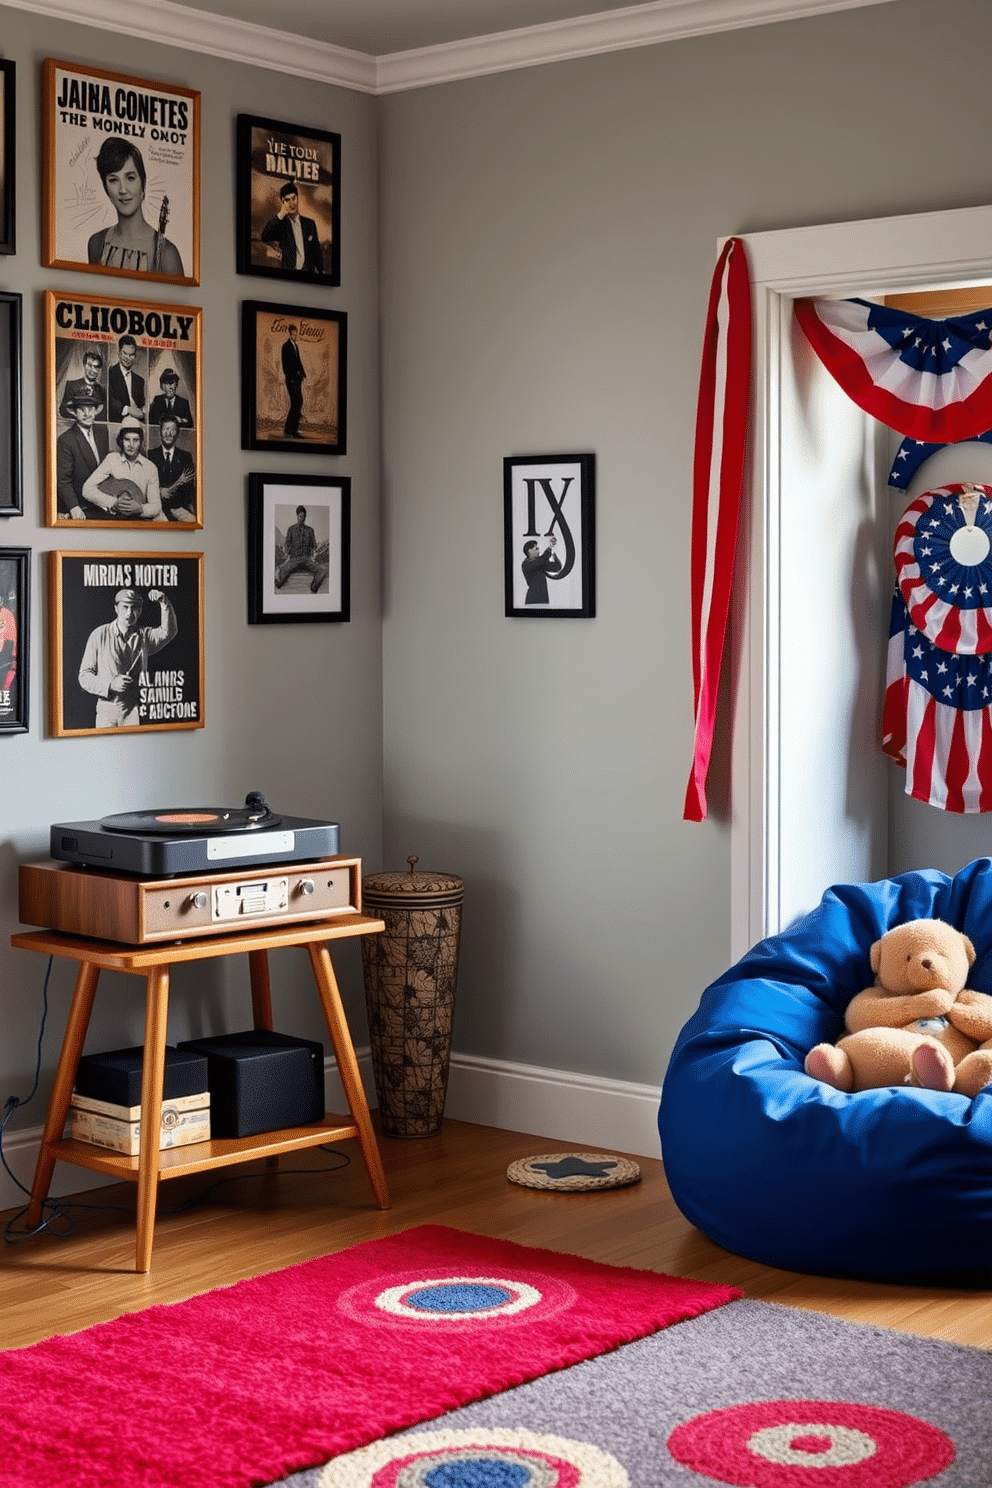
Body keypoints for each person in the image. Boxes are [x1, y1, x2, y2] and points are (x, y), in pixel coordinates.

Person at [77, 587, 178, 728]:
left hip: (135, 711)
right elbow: (84, 676)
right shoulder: (99, 635)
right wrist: (110, 686)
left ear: (140, 610)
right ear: (116, 609)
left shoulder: (145, 636)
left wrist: (164, 603)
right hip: (107, 711)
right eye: (125, 607)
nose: (129, 613)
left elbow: (169, 632)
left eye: (134, 608)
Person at [86, 138, 184, 277]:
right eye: (113, 180)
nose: (123, 189)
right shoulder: (96, 243)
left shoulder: (167, 254)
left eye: (130, 178)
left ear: (143, 184)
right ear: (106, 188)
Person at [82, 419, 163, 520]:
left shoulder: (150, 468)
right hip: (115, 517)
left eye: (135, 440)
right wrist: (113, 502)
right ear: (121, 441)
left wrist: (141, 509)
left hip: (140, 520)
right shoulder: (112, 459)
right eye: (127, 439)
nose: (131, 445)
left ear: (141, 442)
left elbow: (156, 506)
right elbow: (87, 489)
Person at [55, 391, 111, 520]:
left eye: (90, 409)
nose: (87, 414)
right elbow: (63, 480)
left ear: (95, 410)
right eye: (82, 409)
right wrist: (74, 507)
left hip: (101, 504)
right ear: (74, 412)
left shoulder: (102, 432)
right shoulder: (65, 440)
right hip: (82, 507)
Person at [260, 181, 325, 274]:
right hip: (288, 277)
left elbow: (316, 250)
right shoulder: (281, 225)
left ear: (298, 198)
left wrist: (322, 271)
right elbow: (265, 236)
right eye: (287, 200)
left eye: (294, 198)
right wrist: (281, 214)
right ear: (282, 202)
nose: (292, 203)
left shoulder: (310, 224)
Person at [148, 415, 196, 522]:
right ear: (160, 432)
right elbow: (145, 484)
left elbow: (188, 489)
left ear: (177, 433)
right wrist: (159, 491)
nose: (169, 434)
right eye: (165, 429)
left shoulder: (186, 456)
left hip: (179, 508)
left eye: (173, 430)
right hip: (157, 508)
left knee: (192, 521)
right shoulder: (150, 455)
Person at [275, 505, 328, 592]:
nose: (302, 519)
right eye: (300, 516)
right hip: (294, 559)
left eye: (303, 517)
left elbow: (314, 546)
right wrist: (287, 551)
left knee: (322, 571)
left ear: (305, 517)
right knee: (281, 576)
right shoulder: (291, 529)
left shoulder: (310, 530)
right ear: (297, 516)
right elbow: (286, 545)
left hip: (307, 560)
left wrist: (314, 553)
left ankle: (314, 587)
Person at [58, 349, 105, 421]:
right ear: (84, 365)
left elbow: (104, 415)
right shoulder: (71, 385)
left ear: (99, 369)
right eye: (89, 365)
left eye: (96, 367)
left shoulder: (101, 390)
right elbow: (63, 411)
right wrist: (80, 416)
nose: (92, 370)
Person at [108, 335, 146, 422]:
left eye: (131, 355)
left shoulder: (139, 380)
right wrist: (127, 409)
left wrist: (144, 409)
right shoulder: (110, 373)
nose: (128, 358)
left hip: (136, 423)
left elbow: (141, 405)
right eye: (125, 353)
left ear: (135, 356)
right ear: (119, 353)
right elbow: (109, 400)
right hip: (117, 422)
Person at [281, 324, 306, 438]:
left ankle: (289, 429)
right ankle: (292, 430)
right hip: (291, 380)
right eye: (294, 334)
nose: (296, 336)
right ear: (290, 334)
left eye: (297, 334)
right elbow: (286, 365)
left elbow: (298, 361)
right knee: (297, 402)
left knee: (297, 403)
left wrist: (302, 373)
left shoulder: (295, 346)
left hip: (297, 379)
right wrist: (291, 377)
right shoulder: (286, 346)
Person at [521, 535, 561, 604]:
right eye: (536, 548)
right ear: (530, 551)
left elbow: (556, 567)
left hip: (543, 599)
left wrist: (555, 556)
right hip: (532, 600)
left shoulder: (539, 563)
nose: (538, 551)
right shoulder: (526, 564)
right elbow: (543, 558)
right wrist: (550, 547)